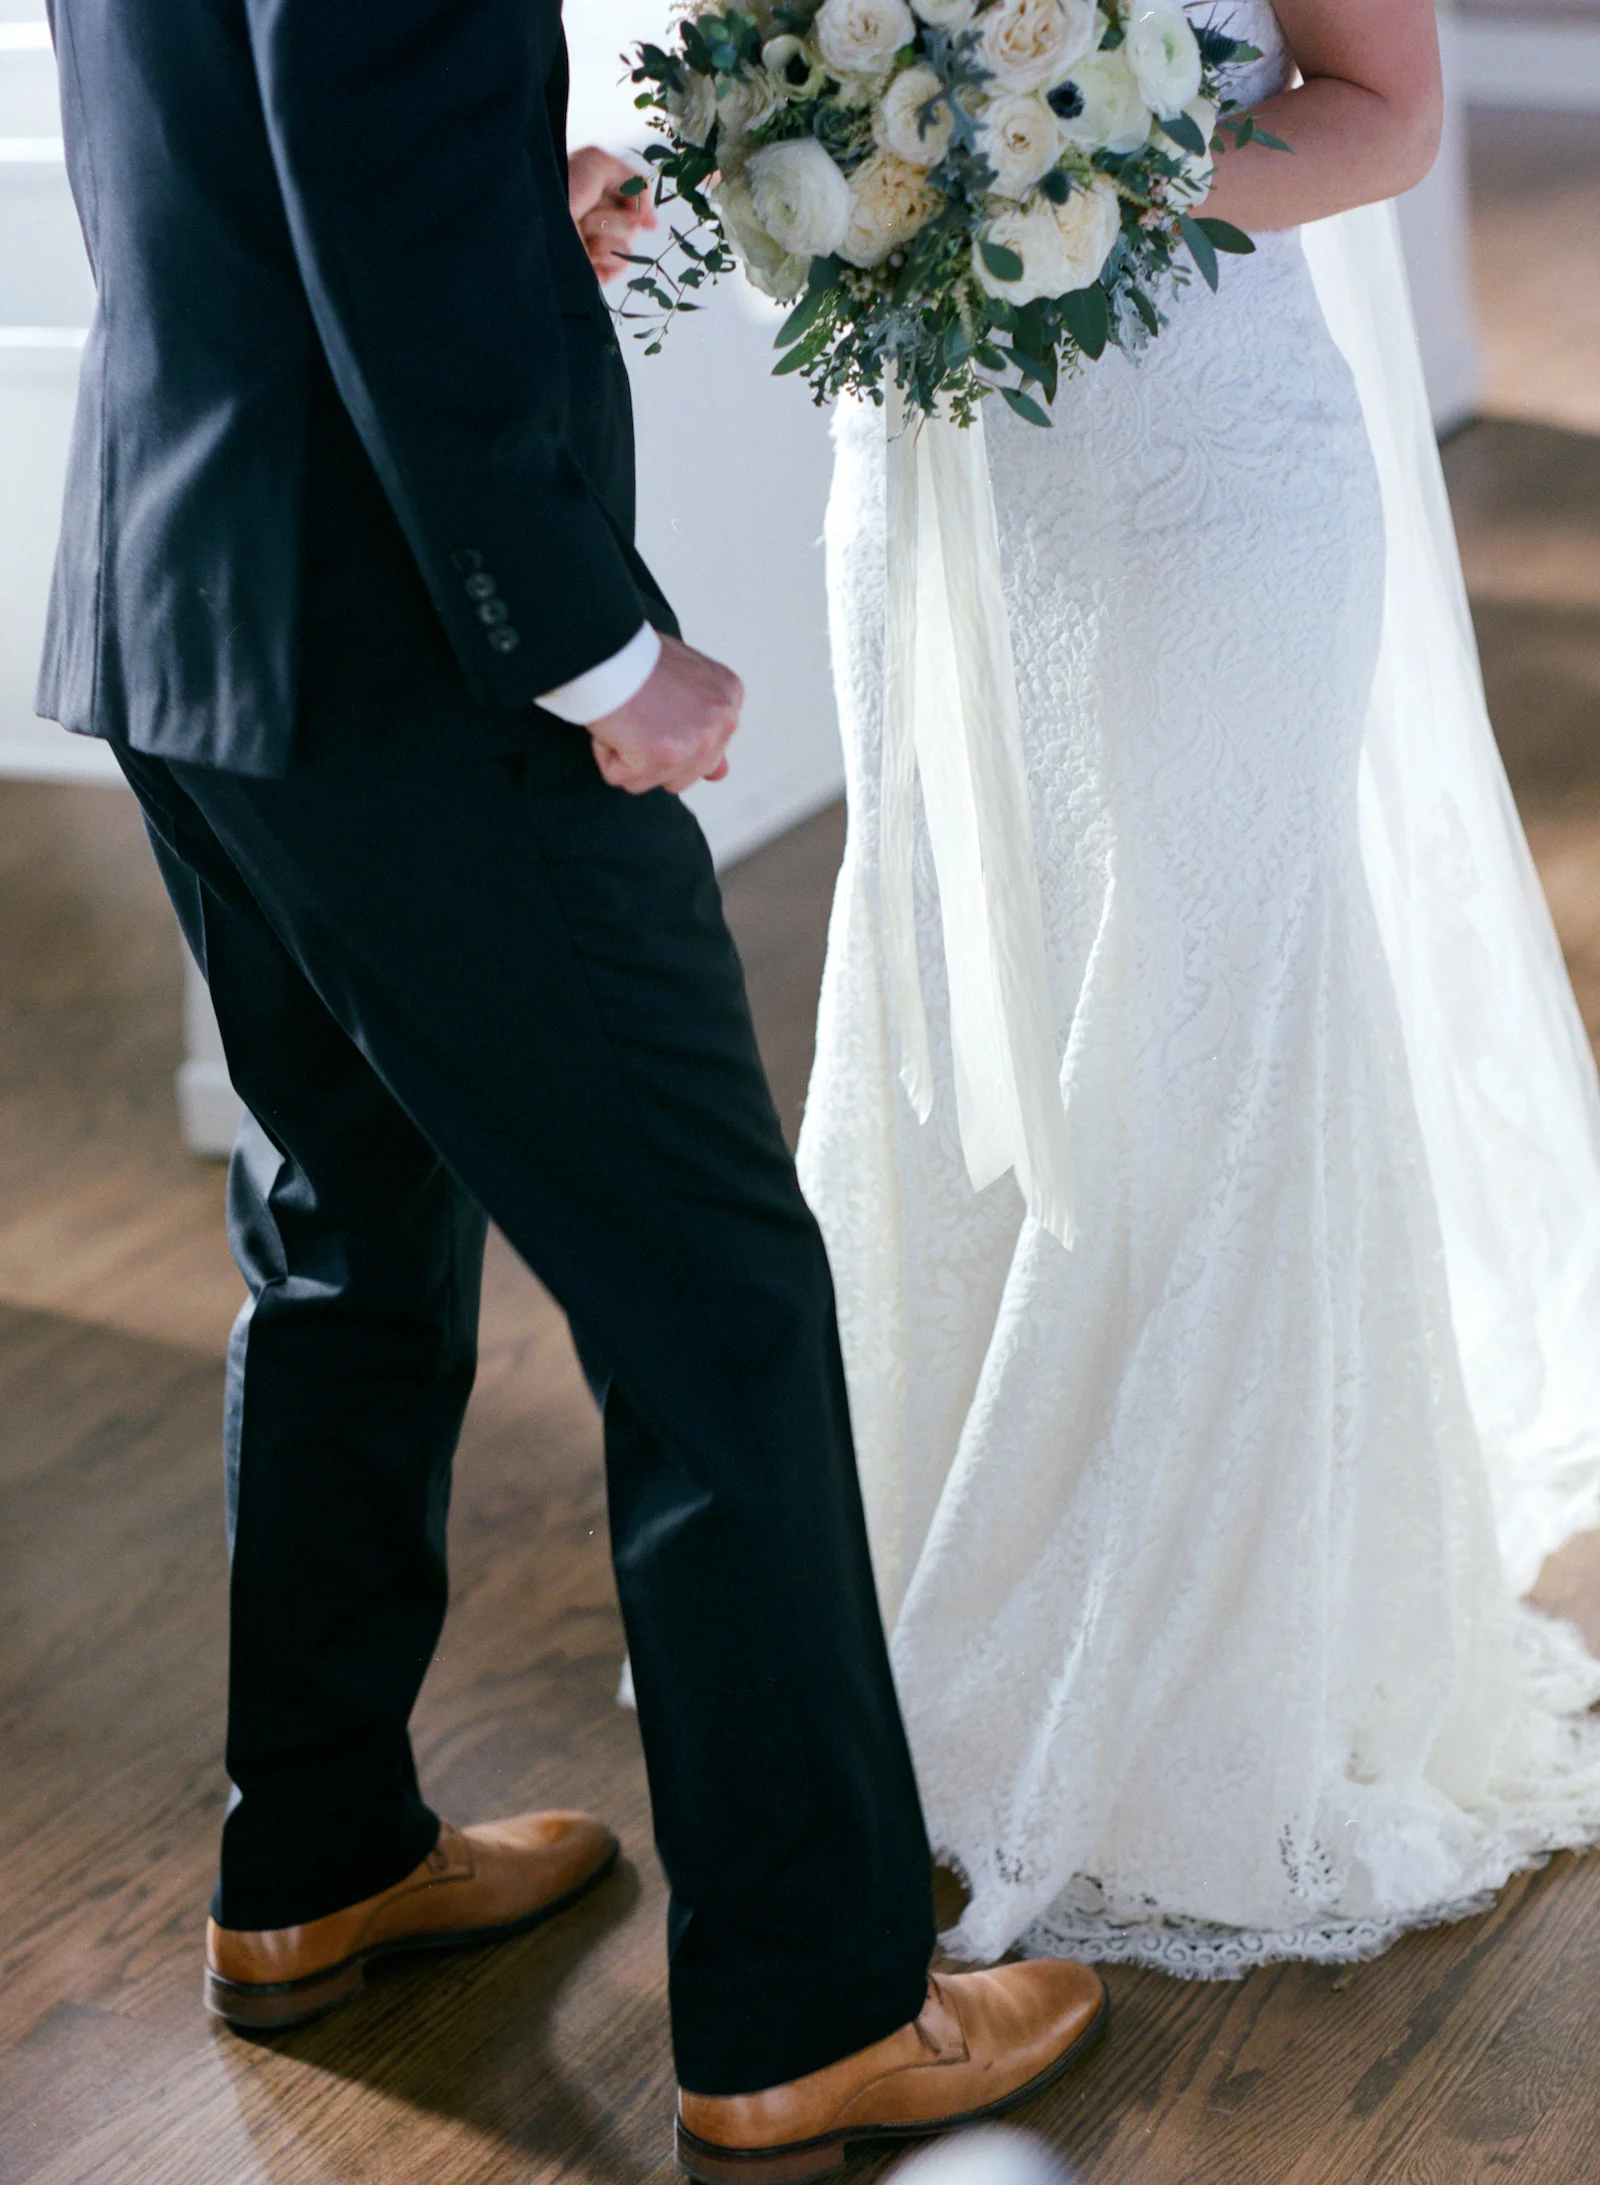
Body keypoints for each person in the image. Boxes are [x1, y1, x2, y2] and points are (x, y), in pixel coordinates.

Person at [35, 2, 1108, 2174]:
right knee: (705, 1298)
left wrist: (503, 234)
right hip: (419, 674)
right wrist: (602, 655)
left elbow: (261, 144)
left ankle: (317, 1861)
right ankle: (811, 2006)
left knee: (342, 1242)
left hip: (187, 601)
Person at [801, 0, 1600, 1976]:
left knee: (1211, 1027)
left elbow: (1386, 115)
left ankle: (1207, 1688)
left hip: (1201, 467)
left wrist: (1069, 200)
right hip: (929, 474)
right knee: (956, 993)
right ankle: (937, 1602)